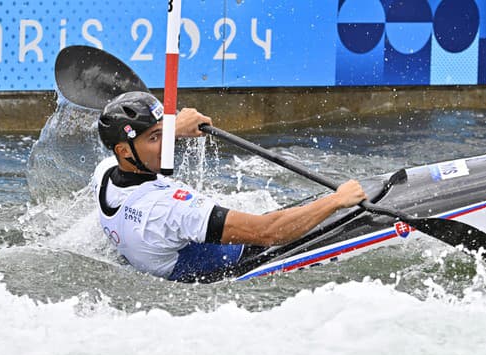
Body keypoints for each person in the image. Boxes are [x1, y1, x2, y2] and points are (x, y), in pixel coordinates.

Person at [92, 91, 367, 282]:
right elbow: (268, 232)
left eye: (163, 133)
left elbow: (138, 147)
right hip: (241, 257)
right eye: (155, 137)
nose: (166, 143)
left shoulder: (104, 173)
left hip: (161, 255)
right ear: (124, 151)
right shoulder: (169, 208)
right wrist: (336, 200)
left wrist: (175, 128)